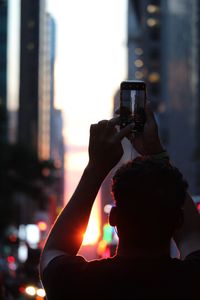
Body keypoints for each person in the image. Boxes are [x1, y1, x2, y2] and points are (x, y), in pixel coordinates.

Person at [40, 103, 200, 299]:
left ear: (113, 218)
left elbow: (54, 250)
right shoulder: (191, 281)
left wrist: (95, 169)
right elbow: (193, 235)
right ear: (178, 220)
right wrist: (157, 154)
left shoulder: (77, 282)